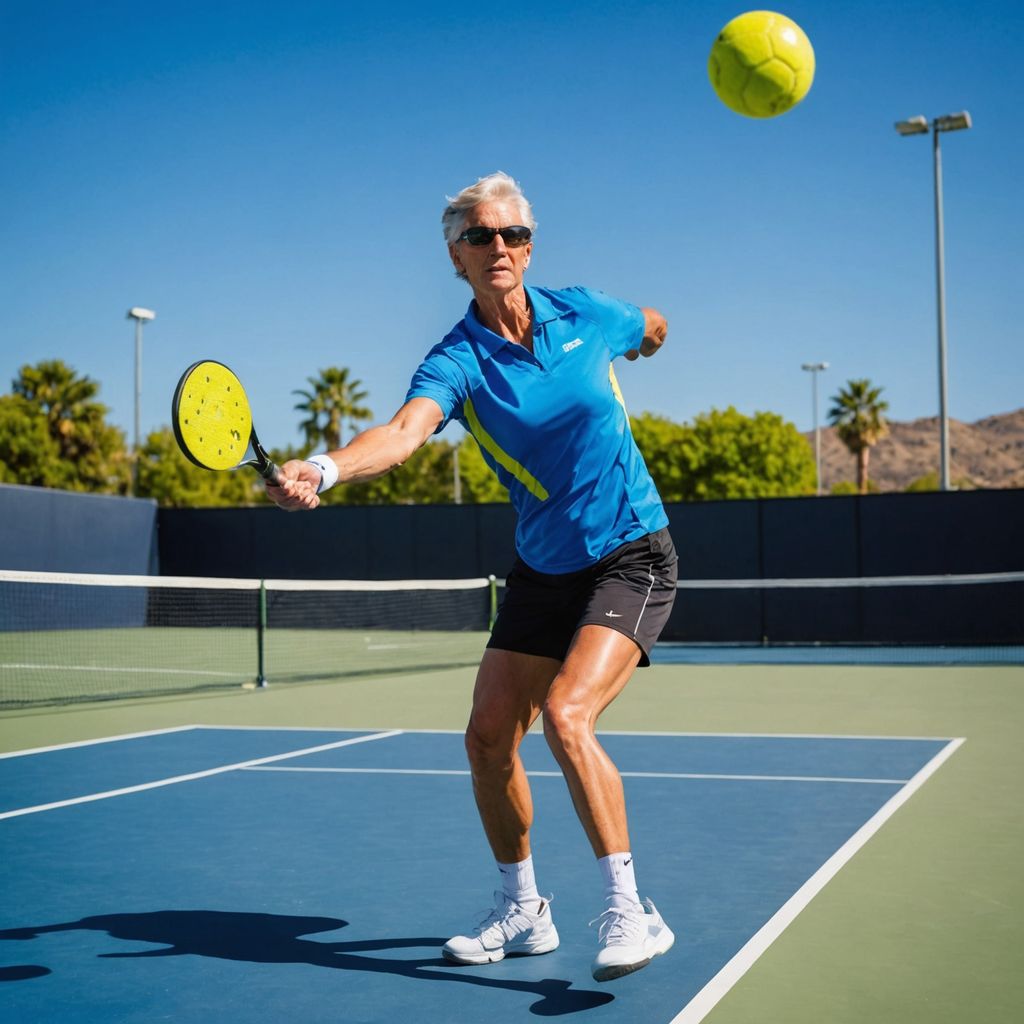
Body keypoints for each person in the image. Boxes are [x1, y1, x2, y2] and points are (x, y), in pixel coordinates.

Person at [267, 171, 678, 983]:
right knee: (488, 737)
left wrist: (648, 336)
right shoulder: (458, 360)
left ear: (530, 246)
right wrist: (325, 466)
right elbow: (401, 433)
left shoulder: (585, 312)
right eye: (481, 236)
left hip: (632, 549)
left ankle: (633, 912)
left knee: (566, 716)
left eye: (513, 235)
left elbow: (652, 325)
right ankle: (523, 909)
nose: (501, 248)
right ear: (455, 255)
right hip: (544, 568)